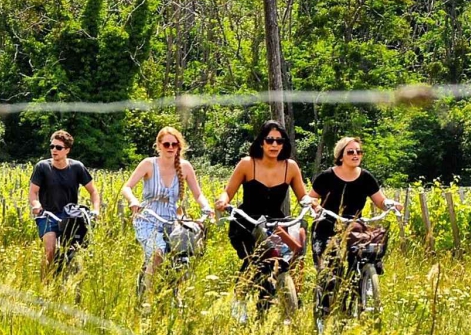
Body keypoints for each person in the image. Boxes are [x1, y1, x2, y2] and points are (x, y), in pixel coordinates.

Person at [214, 120, 308, 300]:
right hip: (247, 223)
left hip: (275, 223)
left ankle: (274, 306)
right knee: (257, 261)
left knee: (283, 259)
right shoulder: (247, 164)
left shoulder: (291, 166)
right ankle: (238, 303)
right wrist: (222, 201)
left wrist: (311, 203)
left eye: (279, 141)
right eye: (270, 140)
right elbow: (228, 192)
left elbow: (302, 196)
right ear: (261, 142)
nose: (274, 145)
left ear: (284, 144)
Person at [121, 126, 213, 296]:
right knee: (158, 253)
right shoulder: (148, 164)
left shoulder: (185, 167)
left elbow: (197, 193)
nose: (170, 148)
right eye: (166, 144)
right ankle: (147, 300)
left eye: (174, 144)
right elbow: (127, 187)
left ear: (179, 146)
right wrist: (133, 200)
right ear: (159, 146)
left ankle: (173, 294)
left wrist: (206, 209)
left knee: (183, 254)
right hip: (148, 218)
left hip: (171, 221)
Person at [309, 136, 388, 318]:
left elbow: (380, 201)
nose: (355, 155)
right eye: (350, 152)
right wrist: (316, 206)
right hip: (327, 227)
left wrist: (390, 204)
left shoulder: (366, 177)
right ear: (341, 155)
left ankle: (362, 289)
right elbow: (311, 197)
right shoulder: (326, 176)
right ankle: (326, 311)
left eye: (358, 152)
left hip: (354, 228)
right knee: (331, 272)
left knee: (365, 256)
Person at [28, 130, 102, 276]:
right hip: (48, 215)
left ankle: (67, 280)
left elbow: (93, 191)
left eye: (58, 147)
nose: (54, 150)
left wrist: (96, 210)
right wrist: (36, 205)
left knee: (74, 251)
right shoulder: (42, 167)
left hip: (70, 216)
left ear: (67, 150)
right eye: (52, 147)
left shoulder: (77, 167)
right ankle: (45, 283)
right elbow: (33, 192)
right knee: (50, 250)